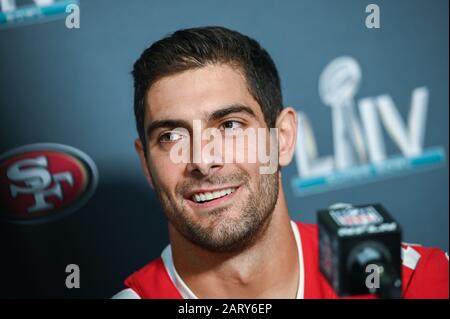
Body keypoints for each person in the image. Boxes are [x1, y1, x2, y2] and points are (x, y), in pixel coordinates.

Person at [113, 26, 448, 299]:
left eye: (230, 125)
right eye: (171, 136)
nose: (202, 159)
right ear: (146, 163)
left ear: (282, 138)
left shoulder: (410, 283)